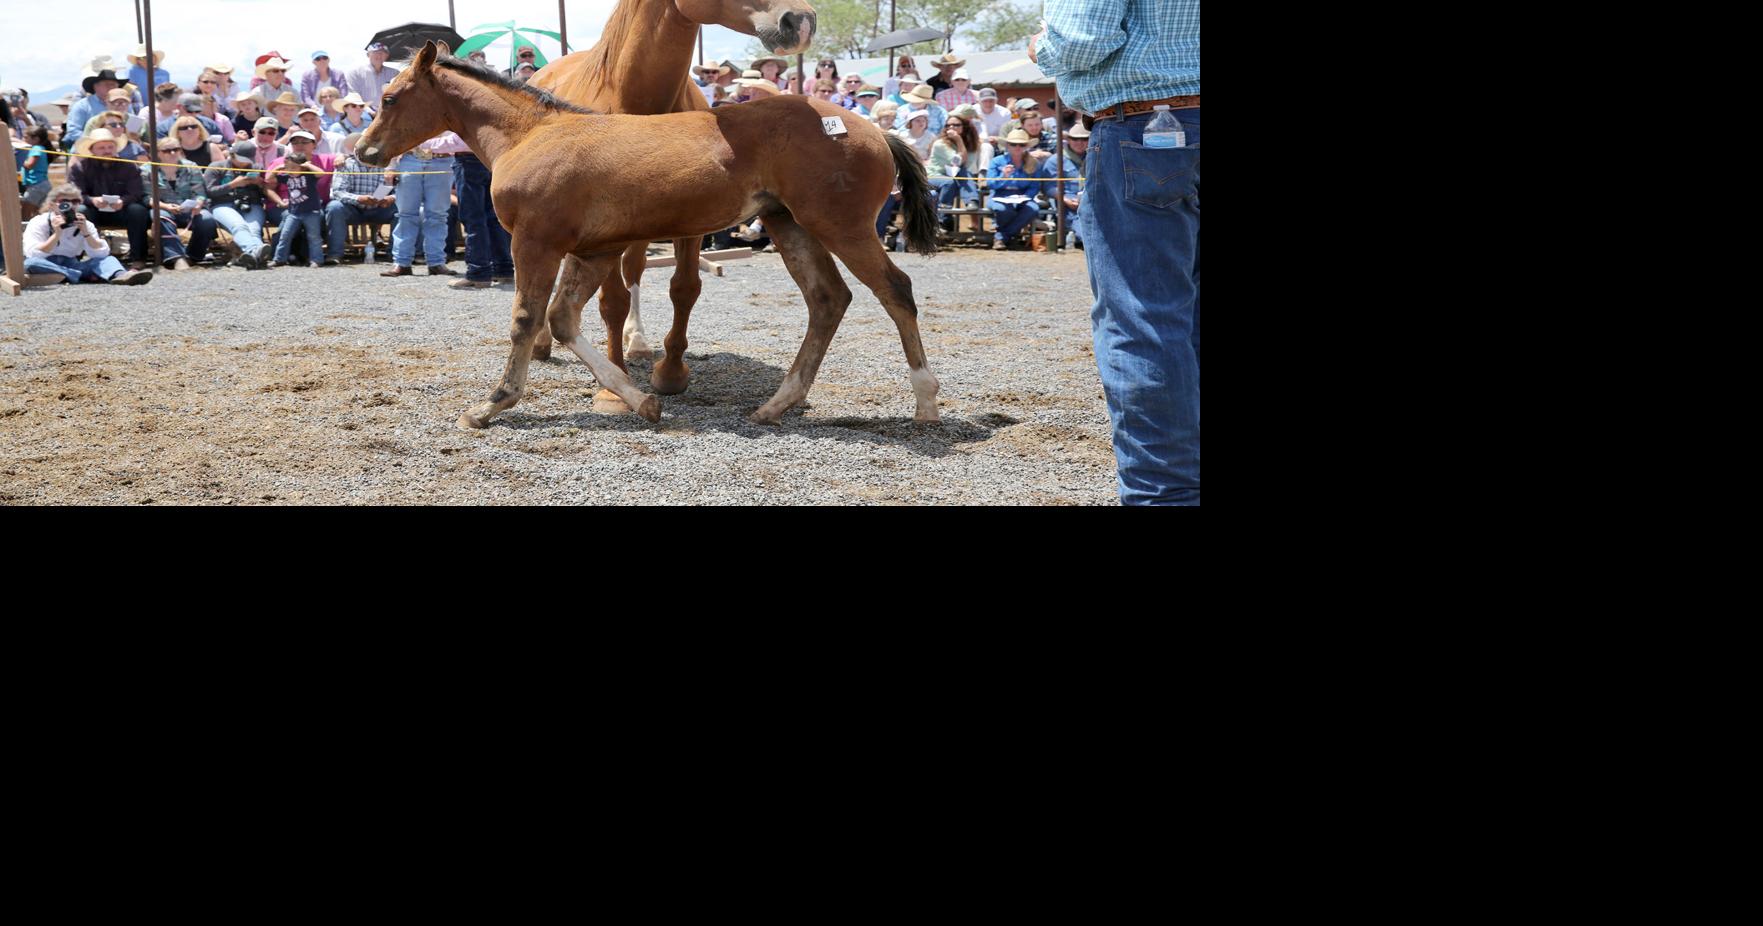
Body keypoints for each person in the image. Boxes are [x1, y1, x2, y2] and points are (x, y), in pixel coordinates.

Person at [1033, 0, 1201, 505]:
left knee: (1143, 320)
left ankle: (1167, 495)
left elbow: (1083, 40)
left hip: (1149, 124)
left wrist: (1039, 47)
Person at [68, 128, 187, 270]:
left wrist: (123, 201)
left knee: (137, 210)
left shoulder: (128, 166)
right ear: (92, 149)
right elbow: (75, 194)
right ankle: (75, 257)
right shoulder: (79, 168)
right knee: (80, 211)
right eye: (102, 148)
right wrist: (92, 200)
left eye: (110, 147)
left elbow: (136, 192)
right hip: (94, 211)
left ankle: (138, 258)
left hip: (122, 211)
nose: (107, 150)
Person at [19, 184, 153, 284]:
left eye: (75, 202)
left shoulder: (85, 223)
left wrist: (86, 234)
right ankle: (80, 276)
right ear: (53, 204)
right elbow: (33, 253)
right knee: (30, 264)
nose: (70, 205)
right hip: (46, 262)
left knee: (108, 259)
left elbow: (100, 254)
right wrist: (56, 234)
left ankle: (122, 275)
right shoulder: (40, 221)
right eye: (65, 201)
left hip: (71, 263)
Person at [381, 131, 462, 276]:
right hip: (411, 157)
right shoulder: (407, 109)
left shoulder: (449, 108)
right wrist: (390, 166)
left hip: (441, 159)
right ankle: (402, 262)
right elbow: (395, 133)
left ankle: (436, 262)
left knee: (437, 215)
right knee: (406, 214)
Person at [265, 130, 341, 262]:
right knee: (286, 227)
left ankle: (309, 256)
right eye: (295, 142)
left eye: (304, 142)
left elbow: (347, 156)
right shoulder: (282, 163)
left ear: (314, 145)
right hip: (286, 207)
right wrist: (280, 202)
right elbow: (268, 184)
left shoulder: (322, 162)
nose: (300, 145)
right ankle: (277, 256)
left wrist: (343, 156)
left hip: (312, 207)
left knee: (317, 224)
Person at [449, 143, 514, 289]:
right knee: (493, 219)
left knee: (474, 219)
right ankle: (503, 269)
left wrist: (427, 145)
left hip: (467, 160)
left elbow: (457, 141)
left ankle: (478, 272)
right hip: (489, 159)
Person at [147, 134, 217, 267]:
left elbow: (200, 193)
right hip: (163, 208)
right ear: (158, 153)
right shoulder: (147, 170)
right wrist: (166, 206)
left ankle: (194, 256)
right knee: (161, 217)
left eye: (176, 149)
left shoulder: (191, 167)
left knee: (207, 220)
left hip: (189, 209)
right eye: (167, 151)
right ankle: (176, 257)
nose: (172, 153)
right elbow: (147, 198)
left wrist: (198, 204)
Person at [325, 135, 396, 265]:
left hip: (378, 208)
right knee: (334, 207)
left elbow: (396, 190)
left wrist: (390, 198)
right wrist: (359, 198)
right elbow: (337, 192)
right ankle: (335, 254)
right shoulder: (346, 165)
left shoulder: (385, 167)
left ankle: (395, 254)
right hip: (352, 209)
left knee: (400, 209)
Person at [207, 141, 271, 268]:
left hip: (251, 204)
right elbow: (210, 191)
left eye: (247, 160)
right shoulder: (216, 167)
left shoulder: (257, 168)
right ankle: (255, 251)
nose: (244, 163)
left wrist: (260, 184)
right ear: (232, 155)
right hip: (222, 204)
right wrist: (233, 185)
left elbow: (266, 193)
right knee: (239, 226)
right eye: (241, 159)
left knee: (254, 230)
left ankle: (252, 256)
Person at [985, 128, 1050, 250]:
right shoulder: (996, 161)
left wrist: (1026, 197)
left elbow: (1035, 186)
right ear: (1007, 146)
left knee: (1033, 208)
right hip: (999, 196)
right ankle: (1005, 236)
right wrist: (1003, 176)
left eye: (1022, 144)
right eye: (1013, 144)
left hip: (1023, 196)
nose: (1017, 147)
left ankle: (1001, 237)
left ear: (1026, 146)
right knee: (1003, 209)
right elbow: (990, 184)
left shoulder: (1033, 163)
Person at [265, 153, 325, 268]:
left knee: (314, 237)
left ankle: (316, 260)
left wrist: (308, 165)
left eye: (293, 168)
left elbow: (321, 173)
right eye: (288, 168)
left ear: (302, 167)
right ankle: (279, 259)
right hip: (293, 212)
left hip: (311, 212)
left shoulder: (309, 176)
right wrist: (278, 168)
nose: (290, 170)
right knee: (285, 235)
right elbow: (268, 178)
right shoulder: (286, 177)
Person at [928, 114, 984, 213]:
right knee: (951, 180)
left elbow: (966, 165)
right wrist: (958, 140)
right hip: (935, 176)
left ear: (964, 127)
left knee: (962, 172)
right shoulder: (940, 144)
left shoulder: (970, 143)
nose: (951, 127)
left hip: (955, 176)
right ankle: (971, 200)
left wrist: (960, 141)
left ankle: (970, 201)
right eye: (948, 125)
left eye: (956, 125)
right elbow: (957, 161)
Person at [63, 65, 122, 147]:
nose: (111, 87)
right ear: (96, 86)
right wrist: (95, 142)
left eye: (114, 85)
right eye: (107, 84)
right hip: (87, 150)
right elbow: (73, 131)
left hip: (120, 146)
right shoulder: (82, 106)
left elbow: (133, 128)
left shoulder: (124, 105)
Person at [347, 43, 400, 114]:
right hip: (362, 114)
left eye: (382, 53)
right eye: (375, 52)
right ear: (368, 55)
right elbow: (353, 96)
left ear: (387, 56)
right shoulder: (355, 73)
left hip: (388, 113)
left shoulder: (395, 73)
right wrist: (370, 112)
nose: (379, 55)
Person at [17, 124, 54, 216]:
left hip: (37, 186)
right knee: (38, 214)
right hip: (43, 184)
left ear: (36, 139)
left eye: (26, 137)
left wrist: (19, 162)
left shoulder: (36, 148)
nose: (23, 139)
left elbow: (30, 164)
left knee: (25, 213)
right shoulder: (41, 148)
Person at [126, 45, 170, 110]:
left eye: (147, 57)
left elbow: (168, 93)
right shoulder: (133, 72)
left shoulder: (164, 74)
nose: (144, 60)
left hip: (161, 109)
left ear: (155, 58)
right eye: (140, 58)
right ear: (137, 61)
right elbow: (129, 91)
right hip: (140, 109)